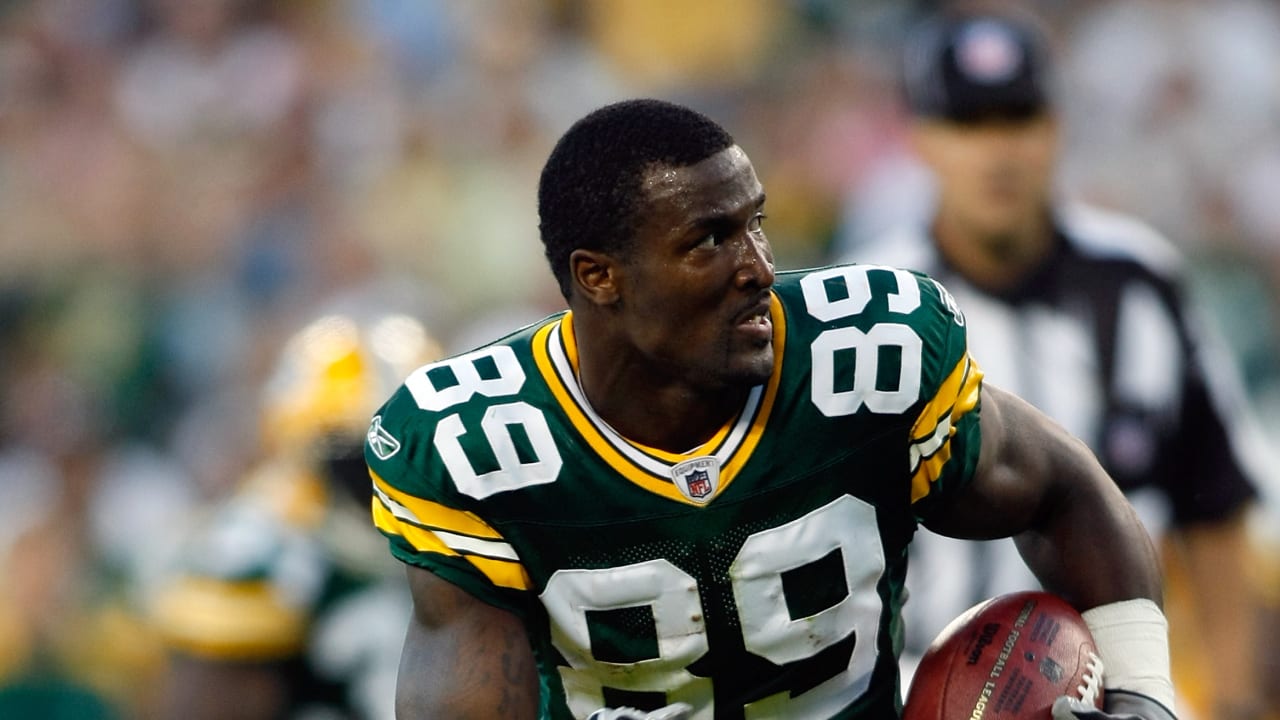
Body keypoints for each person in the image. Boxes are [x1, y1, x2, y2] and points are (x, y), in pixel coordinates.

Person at [366, 97, 1178, 719]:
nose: (757, 267)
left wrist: (1143, 692)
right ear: (599, 276)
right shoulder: (476, 448)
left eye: (756, 225)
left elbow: (1063, 489)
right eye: (708, 241)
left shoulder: (861, 359)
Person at [837, 7, 1265, 720]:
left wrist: (1237, 698)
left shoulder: (1140, 282)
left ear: (1056, 126)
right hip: (923, 681)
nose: (998, 152)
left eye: (1018, 119)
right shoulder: (877, 306)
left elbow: (1215, 501)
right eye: (970, 125)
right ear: (921, 139)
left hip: (1122, 677)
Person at [150, 292, 443, 720]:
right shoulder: (260, 543)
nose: (387, 475)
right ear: (299, 445)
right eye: (359, 453)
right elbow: (204, 699)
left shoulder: (464, 528)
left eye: (411, 448)